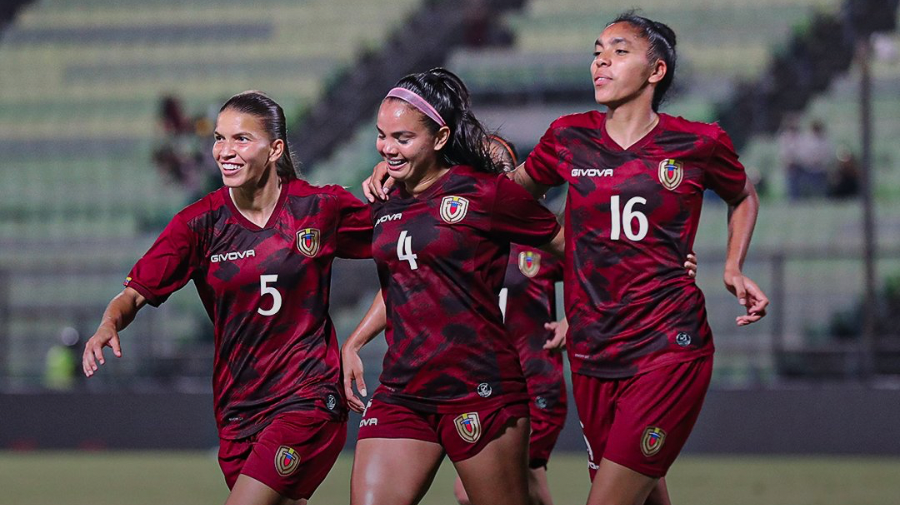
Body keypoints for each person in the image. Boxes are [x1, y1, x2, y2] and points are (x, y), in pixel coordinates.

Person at [364, 12, 768, 505]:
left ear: (655, 71)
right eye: (597, 50)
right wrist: (404, 170)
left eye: (619, 51)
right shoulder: (568, 137)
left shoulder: (699, 141)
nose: (601, 60)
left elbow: (743, 195)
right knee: (642, 493)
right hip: (594, 351)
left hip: (669, 342)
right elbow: (498, 194)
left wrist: (732, 266)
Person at [82, 91, 373, 505]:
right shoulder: (198, 223)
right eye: (219, 139)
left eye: (240, 139)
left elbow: (402, 241)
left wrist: (358, 339)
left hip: (308, 397)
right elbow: (131, 295)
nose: (224, 151)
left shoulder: (317, 208)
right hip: (239, 409)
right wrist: (108, 323)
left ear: (274, 149)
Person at [341, 68, 565, 505]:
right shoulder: (388, 200)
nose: (387, 147)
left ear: (440, 138)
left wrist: (651, 269)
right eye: (381, 135)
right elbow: (404, 280)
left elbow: (571, 245)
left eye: (402, 137)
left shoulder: (484, 194)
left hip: (479, 387)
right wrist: (354, 340)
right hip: (402, 389)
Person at [452, 135, 568, 505]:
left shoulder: (540, 234)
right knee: (526, 489)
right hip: (486, 383)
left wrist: (574, 320)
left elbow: (603, 269)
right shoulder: (462, 236)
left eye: (499, 166)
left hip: (535, 382)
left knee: (478, 492)